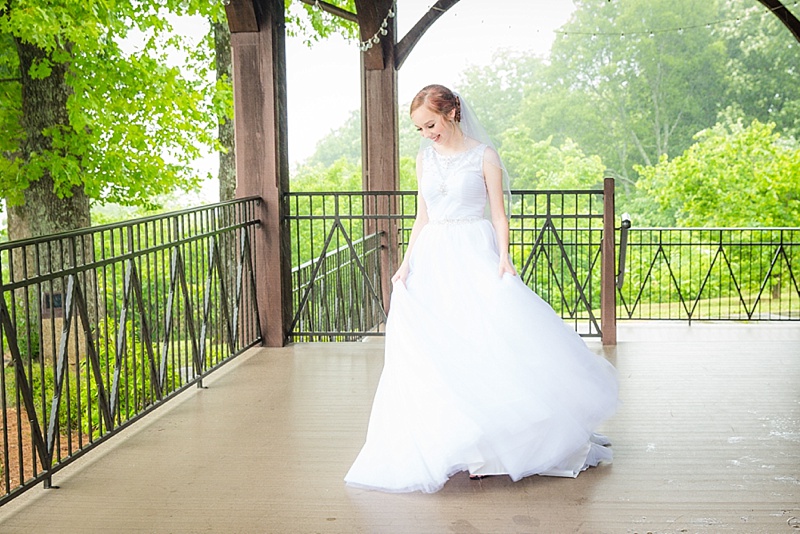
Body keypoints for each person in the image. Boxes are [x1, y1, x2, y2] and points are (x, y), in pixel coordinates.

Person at [344, 84, 619, 493]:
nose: (426, 134)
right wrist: (405, 263)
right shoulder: (424, 158)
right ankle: (464, 444)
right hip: (434, 256)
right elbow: (422, 216)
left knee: (486, 341)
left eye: (431, 125)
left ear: (452, 112)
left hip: (473, 252)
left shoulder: (484, 156)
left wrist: (504, 257)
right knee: (440, 350)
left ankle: (495, 446)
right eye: (420, 129)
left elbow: (498, 214)